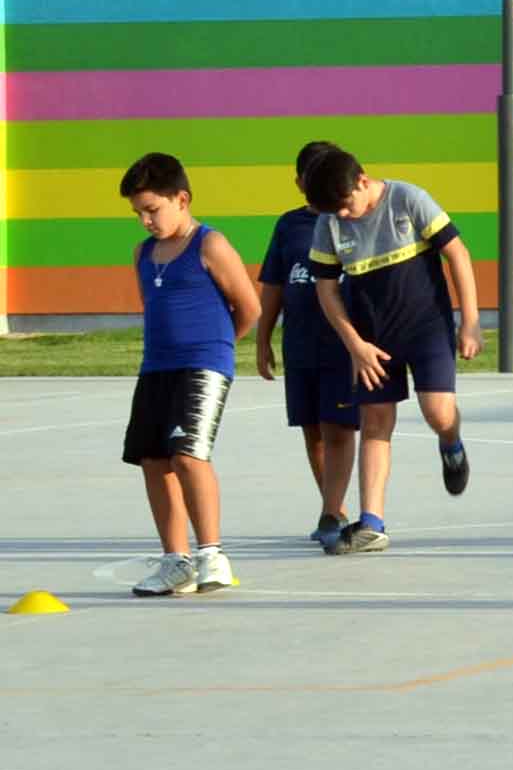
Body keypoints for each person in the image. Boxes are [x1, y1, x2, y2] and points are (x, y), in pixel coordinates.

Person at [305, 147, 478, 554]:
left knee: (438, 413)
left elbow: (457, 254)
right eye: (333, 211)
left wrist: (469, 321)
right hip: (371, 342)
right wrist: (355, 345)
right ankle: (372, 522)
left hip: (426, 329)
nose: (343, 216)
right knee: (376, 423)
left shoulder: (408, 199)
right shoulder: (329, 224)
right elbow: (327, 290)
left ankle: (451, 442)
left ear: (362, 181)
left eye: (346, 205)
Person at [118, 155, 261, 598]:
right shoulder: (143, 254)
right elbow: (152, 306)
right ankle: (175, 561)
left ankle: (211, 553)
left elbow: (249, 309)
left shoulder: (209, 245)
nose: (145, 220)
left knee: (187, 455)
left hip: (203, 365)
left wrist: (216, 350)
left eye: (152, 210)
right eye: (138, 213)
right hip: (156, 366)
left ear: (182, 199)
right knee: (153, 460)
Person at [253, 140, 361, 552]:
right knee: (312, 431)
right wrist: (263, 340)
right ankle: (333, 506)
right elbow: (273, 284)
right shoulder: (288, 225)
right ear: (299, 181)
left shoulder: (352, 221)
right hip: (300, 345)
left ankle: (332, 513)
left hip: (341, 345)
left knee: (339, 429)